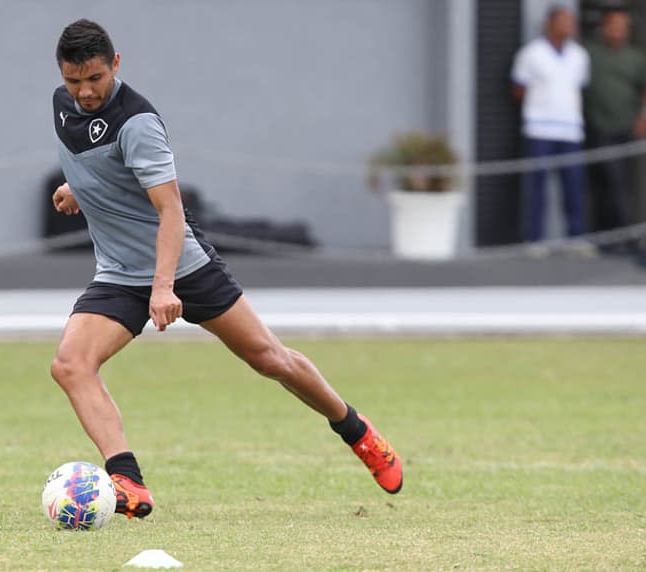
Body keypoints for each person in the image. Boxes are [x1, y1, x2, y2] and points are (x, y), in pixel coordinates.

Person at [48, 19, 402, 519]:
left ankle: (356, 431)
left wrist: (164, 286)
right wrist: (77, 188)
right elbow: (95, 161)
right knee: (70, 365)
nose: (84, 92)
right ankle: (127, 480)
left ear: (117, 65)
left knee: (271, 360)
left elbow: (171, 211)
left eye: (95, 79)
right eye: (74, 81)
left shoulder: (138, 123)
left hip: (183, 269)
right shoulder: (63, 107)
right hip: (119, 273)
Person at [511, 6, 590, 243]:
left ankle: (576, 237)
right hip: (539, 129)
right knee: (537, 188)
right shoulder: (531, 53)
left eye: (571, 21)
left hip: (570, 130)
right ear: (549, 24)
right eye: (564, 21)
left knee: (574, 186)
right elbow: (518, 88)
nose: (570, 25)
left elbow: (582, 87)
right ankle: (535, 239)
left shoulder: (580, 55)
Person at [584, 9, 646, 241]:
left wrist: (645, 117)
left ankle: (620, 235)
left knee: (618, 181)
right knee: (607, 180)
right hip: (598, 127)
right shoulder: (590, 53)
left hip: (625, 128)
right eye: (614, 25)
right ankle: (621, 234)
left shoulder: (635, 57)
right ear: (603, 28)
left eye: (623, 26)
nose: (618, 31)